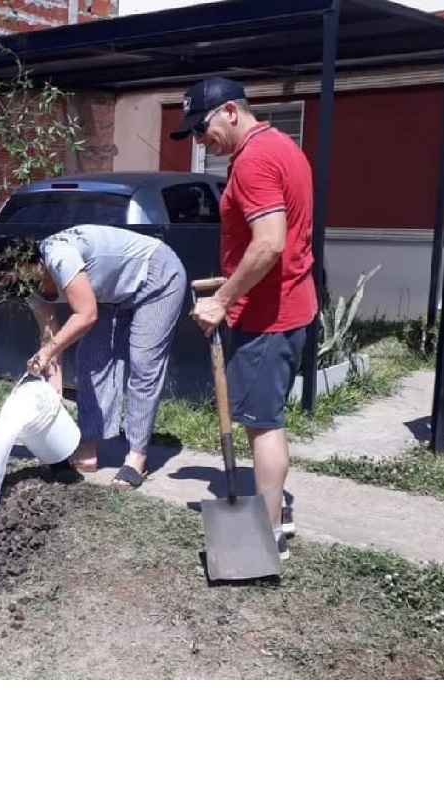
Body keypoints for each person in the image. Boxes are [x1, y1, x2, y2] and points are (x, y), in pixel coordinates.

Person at [172, 76, 318, 561]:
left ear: (231, 111)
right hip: (288, 304)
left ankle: (268, 535)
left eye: (203, 127)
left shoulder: (254, 159)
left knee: (263, 424)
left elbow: (271, 243)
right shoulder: (281, 146)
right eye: (194, 133)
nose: (200, 140)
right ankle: (277, 511)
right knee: (266, 418)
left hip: (268, 315)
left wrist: (222, 298)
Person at [0, 224, 188, 488]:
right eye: (8, 284)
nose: (16, 288)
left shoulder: (60, 256)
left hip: (157, 275)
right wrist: (53, 390)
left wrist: (46, 352)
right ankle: (88, 444)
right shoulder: (26, 285)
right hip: (111, 293)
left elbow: (86, 315)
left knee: (143, 362)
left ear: (30, 262)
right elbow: (50, 335)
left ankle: (136, 457)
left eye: (14, 279)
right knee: (90, 359)